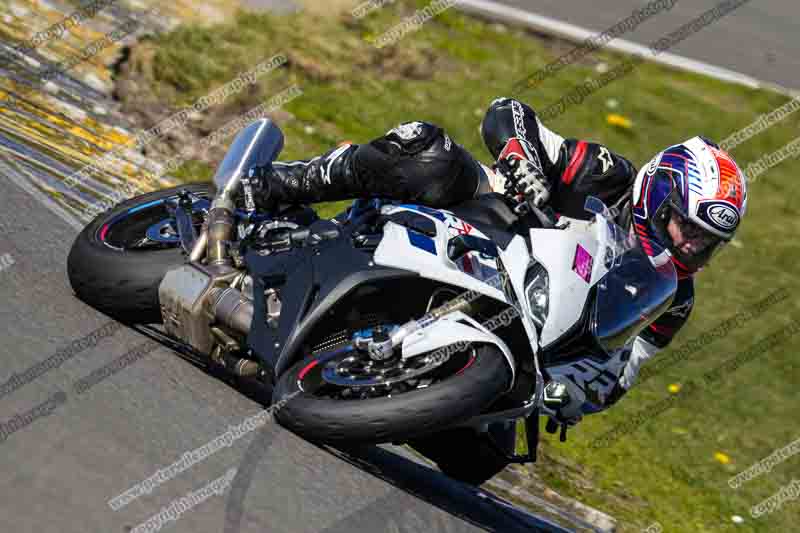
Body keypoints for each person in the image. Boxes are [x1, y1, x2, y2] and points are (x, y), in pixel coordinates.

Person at [247, 97, 748, 425]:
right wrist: (521, 161)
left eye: (707, 244)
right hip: (482, 223)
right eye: (688, 229)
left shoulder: (674, 297)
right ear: (658, 196)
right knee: (429, 152)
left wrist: (578, 396)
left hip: (522, 330)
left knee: (487, 453)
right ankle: (283, 183)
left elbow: (624, 370)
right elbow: (509, 113)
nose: (691, 249)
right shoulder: (606, 175)